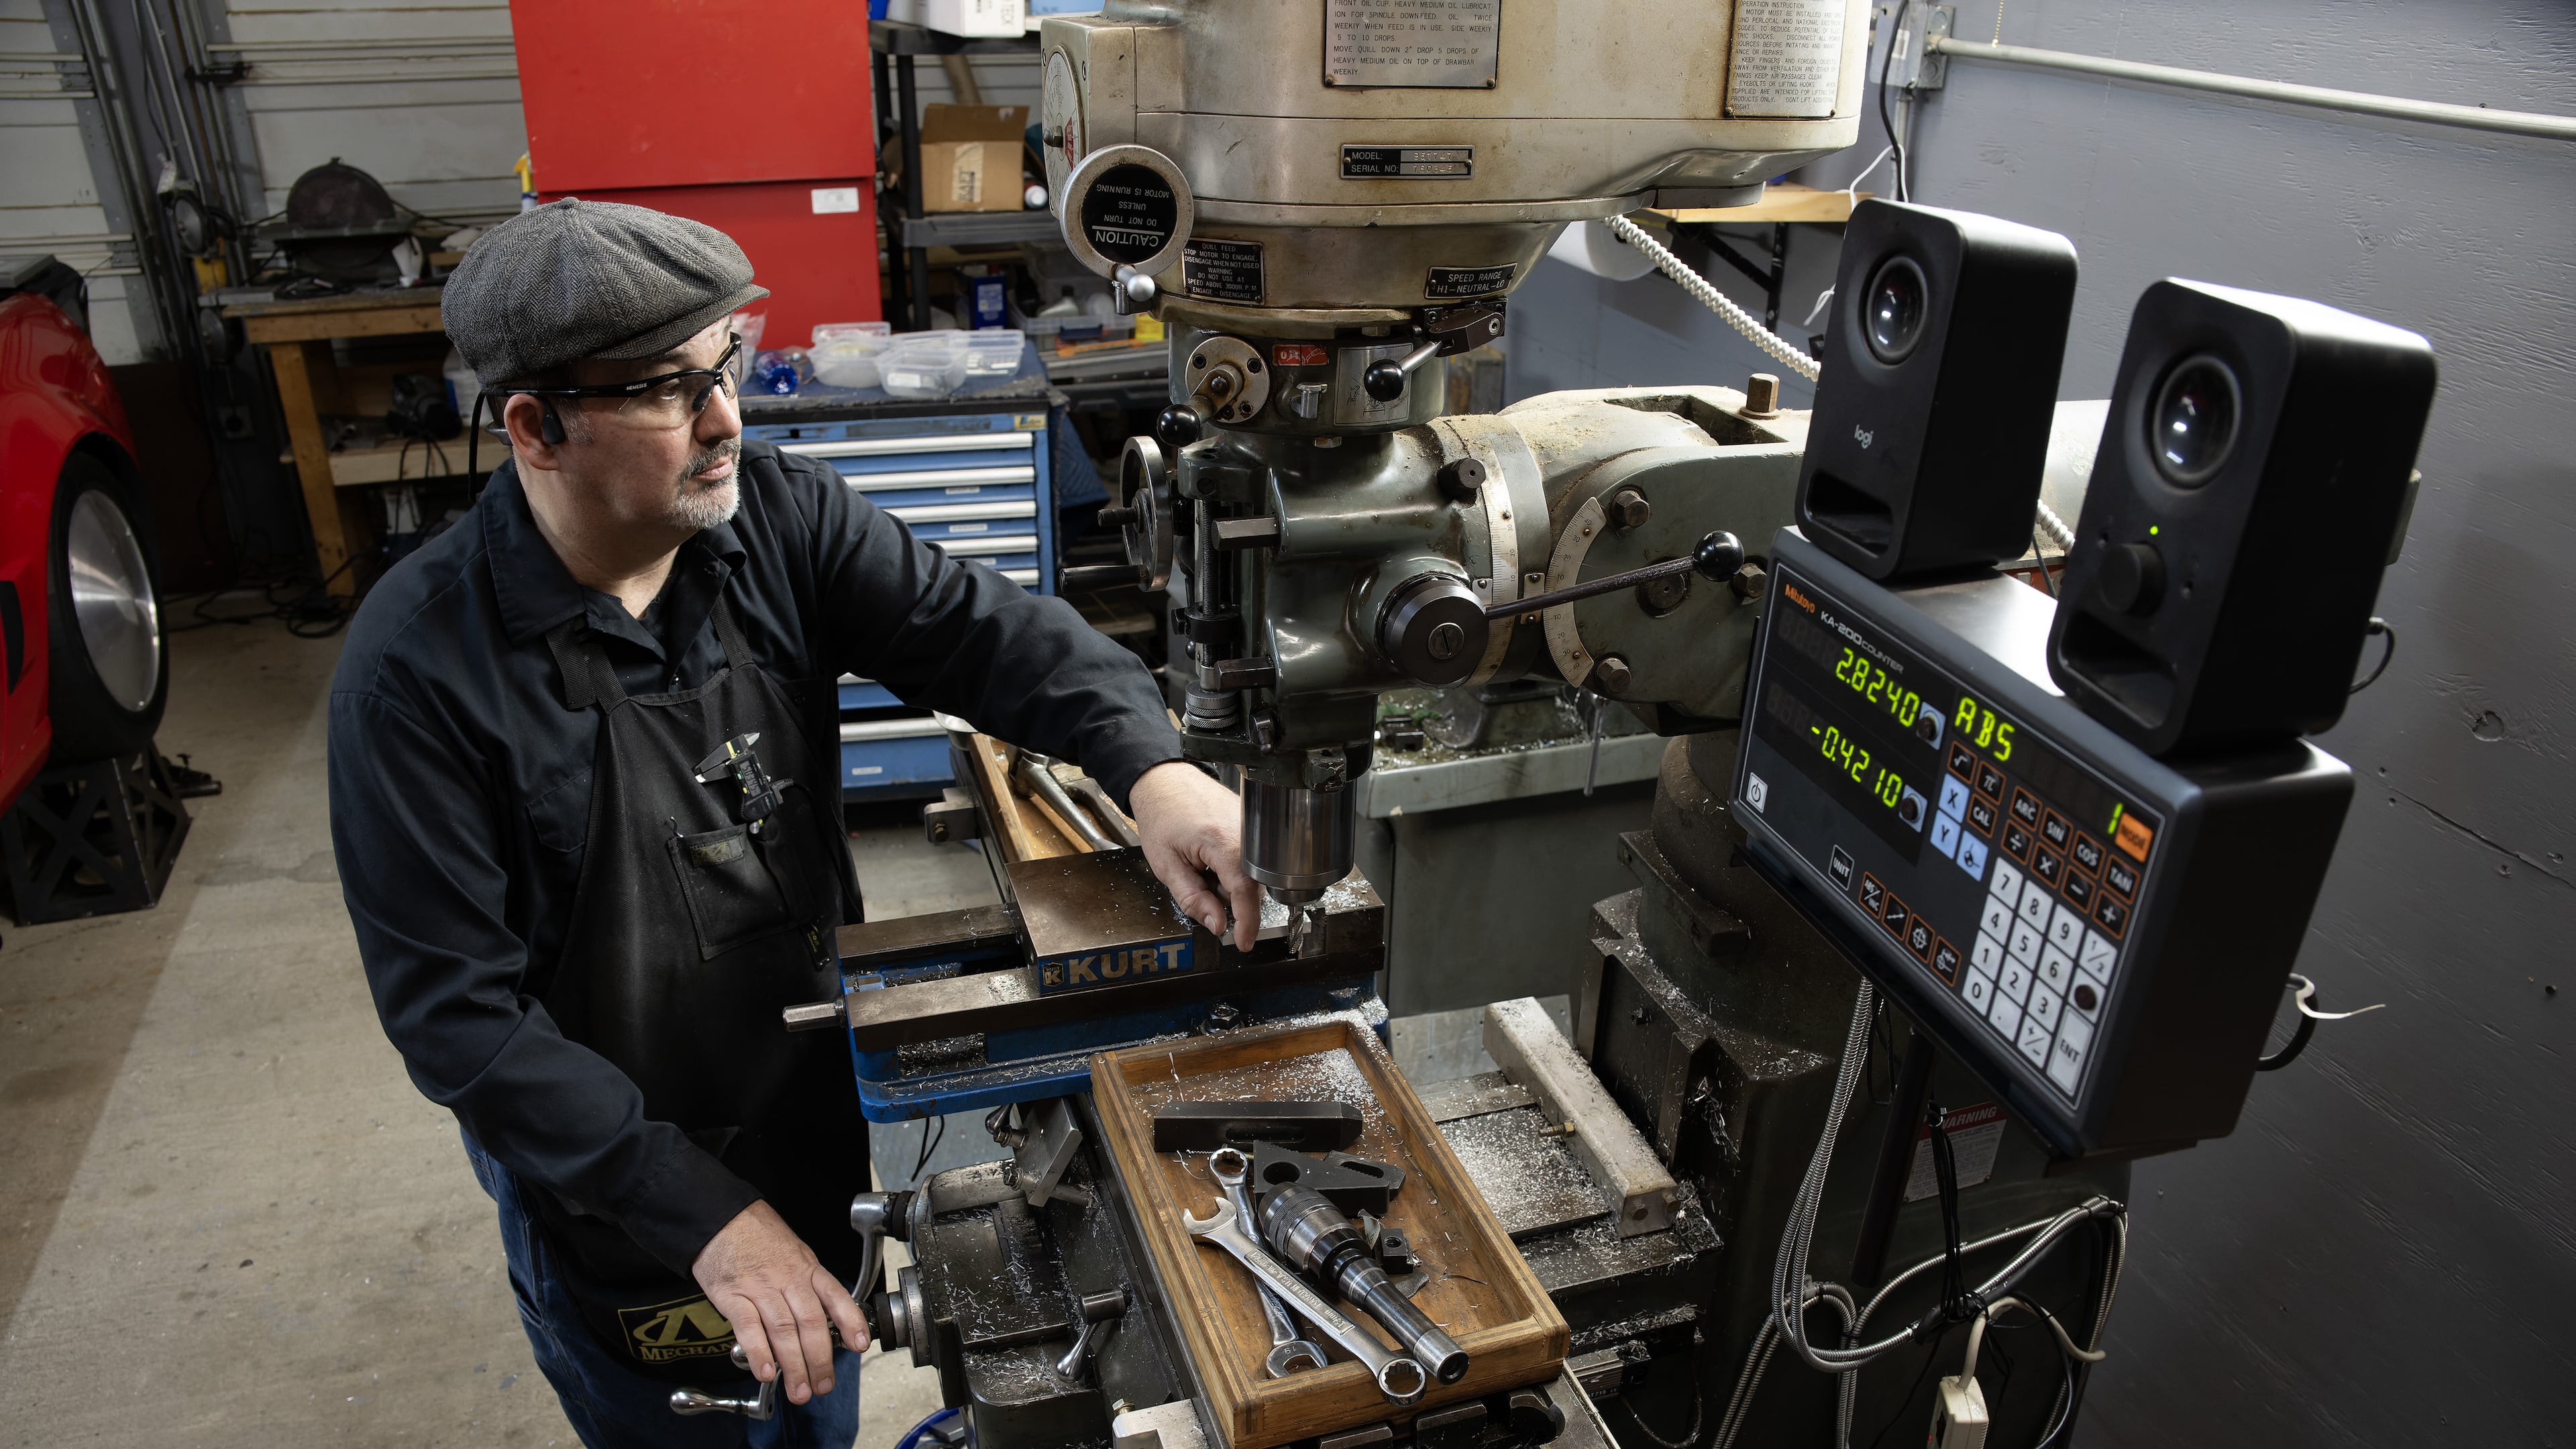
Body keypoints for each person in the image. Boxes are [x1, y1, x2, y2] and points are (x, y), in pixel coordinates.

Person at [328, 199, 1260, 1446]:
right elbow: (461, 1025)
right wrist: (702, 1215)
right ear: (536, 429)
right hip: (625, 1191)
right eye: (669, 392)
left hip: (808, 1112)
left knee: (816, 1400)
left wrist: (1154, 772)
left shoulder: (772, 519)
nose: (727, 419)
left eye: (726, 364)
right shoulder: (418, 675)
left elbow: (984, 635)